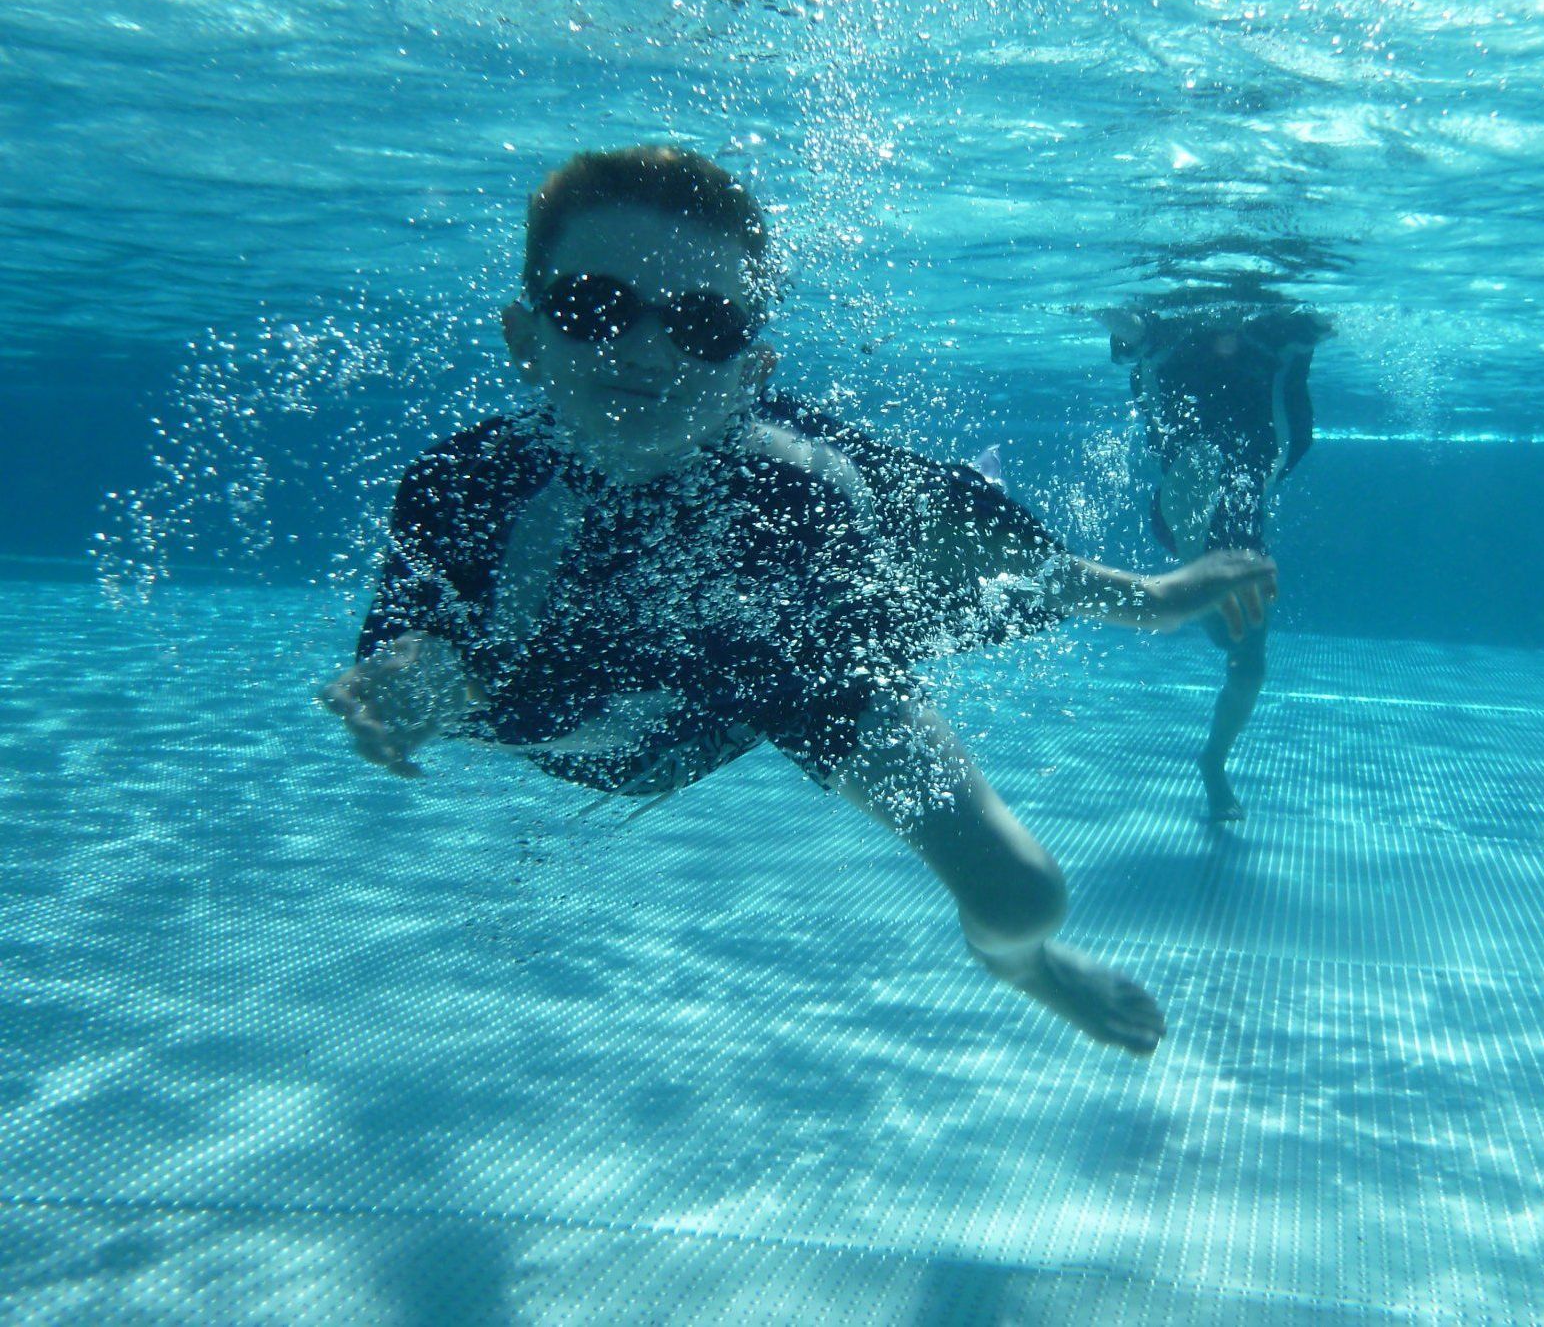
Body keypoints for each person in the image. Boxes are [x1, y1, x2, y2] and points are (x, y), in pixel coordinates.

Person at [320, 145, 1277, 1057]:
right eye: (596, 308)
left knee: (1022, 894)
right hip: (552, 694)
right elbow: (432, 642)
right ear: (525, 337)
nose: (650, 349)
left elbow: (964, 536)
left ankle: (1027, 970)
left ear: (752, 370)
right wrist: (410, 690)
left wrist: (1143, 595)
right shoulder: (465, 486)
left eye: (704, 325)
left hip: (785, 670)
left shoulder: (800, 477)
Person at [1100, 299, 1331, 824]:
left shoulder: (1208, 488)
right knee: (1271, 450)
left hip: (1196, 439)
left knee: (1248, 667)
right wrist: (1300, 346)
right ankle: (1148, 347)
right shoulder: (1276, 452)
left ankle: (1213, 762)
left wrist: (1140, 345)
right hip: (1222, 490)